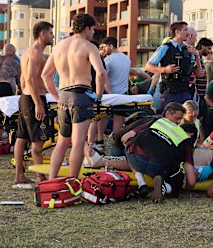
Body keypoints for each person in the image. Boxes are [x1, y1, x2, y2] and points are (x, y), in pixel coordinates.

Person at [42, 13, 107, 179]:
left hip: (64, 96)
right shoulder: (88, 46)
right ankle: (72, 181)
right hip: (81, 95)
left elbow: (46, 75)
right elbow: (100, 73)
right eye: (93, 29)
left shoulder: (58, 47)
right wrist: (98, 96)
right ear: (86, 29)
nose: (93, 33)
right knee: (78, 143)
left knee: (62, 142)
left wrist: (57, 97)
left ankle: (51, 179)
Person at [121, 102, 196, 203]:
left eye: (180, 119)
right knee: (174, 184)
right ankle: (166, 187)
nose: (178, 122)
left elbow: (125, 137)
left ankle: (141, 184)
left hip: (138, 159)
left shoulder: (155, 121)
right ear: (168, 114)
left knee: (131, 146)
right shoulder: (185, 138)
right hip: (160, 167)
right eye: (177, 118)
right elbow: (191, 180)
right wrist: (186, 188)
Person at [13, 22, 54, 184]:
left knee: (21, 137)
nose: (52, 36)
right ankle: (39, 176)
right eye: (50, 33)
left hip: (25, 97)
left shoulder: (27, 52)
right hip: (33, 98)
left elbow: (23, 79)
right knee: (38, 140)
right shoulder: (36, 53)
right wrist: (38, 103)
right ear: (42, 34)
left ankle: (19, 175)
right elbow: (30, 79)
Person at [145, 21, 201, 110]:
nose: (188, 33)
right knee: (170, 119)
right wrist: (165, 70)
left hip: (185, 91)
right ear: (177, 32)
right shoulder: (165, 48)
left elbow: (198, 73)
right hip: (170, 92)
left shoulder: (188, 50)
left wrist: (196, 56)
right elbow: (148, 66)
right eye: (185, 30)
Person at [98, 36, 132, 143]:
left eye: (105, 47)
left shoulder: (108, 60)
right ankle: (116, 141)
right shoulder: (127, 58)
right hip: (123, 93)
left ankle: (100, 139)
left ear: (111, 46)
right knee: (119, 119)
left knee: (102, 115)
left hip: (109, 93)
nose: (104, 50)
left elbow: (103, 77)